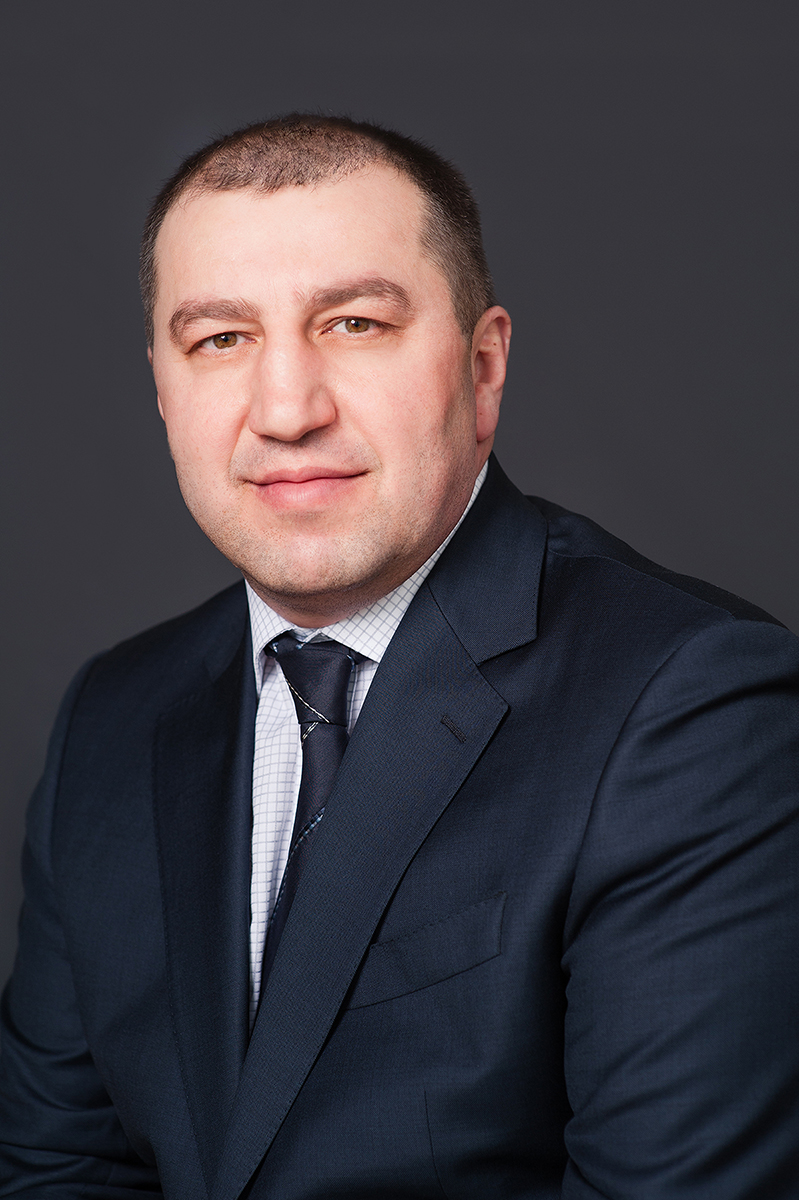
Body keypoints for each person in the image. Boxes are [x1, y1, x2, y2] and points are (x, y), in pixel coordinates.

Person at [1, 114, 797, 1200]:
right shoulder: (114, 714)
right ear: (161, 387)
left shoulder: (693, 708)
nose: (286, 410)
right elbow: (56, 1168)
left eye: (355, 324)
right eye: (220, 339)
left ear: (482, 366)